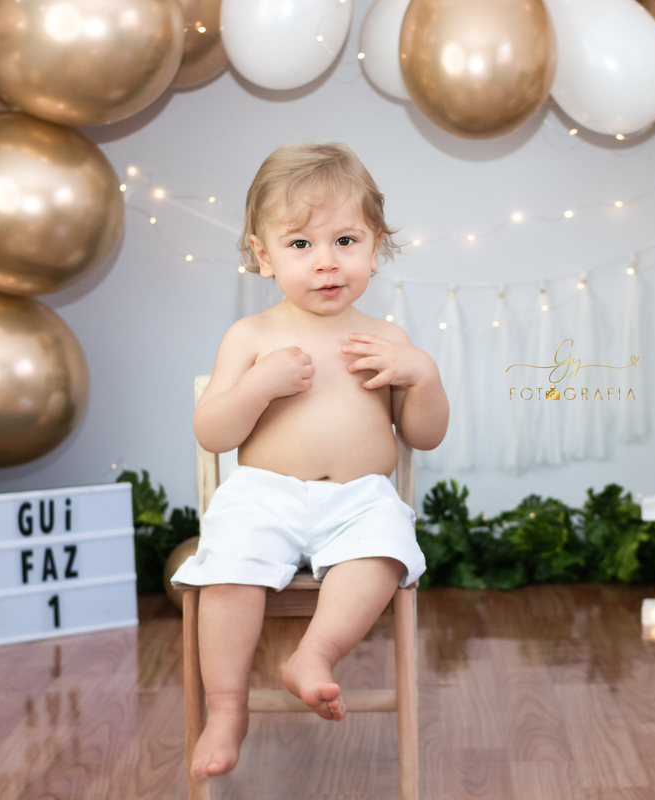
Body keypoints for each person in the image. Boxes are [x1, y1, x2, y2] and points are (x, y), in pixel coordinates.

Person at [172, 142, 449, 779]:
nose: (325, 263)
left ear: (376, 245)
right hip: (263, 493)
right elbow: (213, 432)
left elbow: (423, 435)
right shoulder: (253, 338)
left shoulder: (387, 340)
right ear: (263, 255)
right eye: (300, 245)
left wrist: (423, 378)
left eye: (345, 240)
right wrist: (256, 386)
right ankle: (228, 706)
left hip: (358, 499)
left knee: (385, 549)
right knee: (228, 570)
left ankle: (313, 655)